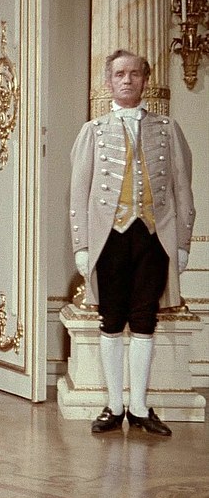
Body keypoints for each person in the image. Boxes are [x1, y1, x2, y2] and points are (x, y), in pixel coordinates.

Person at [70, 49, 195, 436]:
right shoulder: (93, 131)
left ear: (145, 80)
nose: (127, 80)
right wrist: (81, 245)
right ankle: (113, 405)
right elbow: (79, 193)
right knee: (111, 319)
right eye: (120, 74)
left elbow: (183, 188)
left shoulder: (167, 129)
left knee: (144, 319)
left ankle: (139, 407)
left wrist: (182, 242)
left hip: (154, 236)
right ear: (108, 81)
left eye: (135, 74)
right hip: (109, 237)